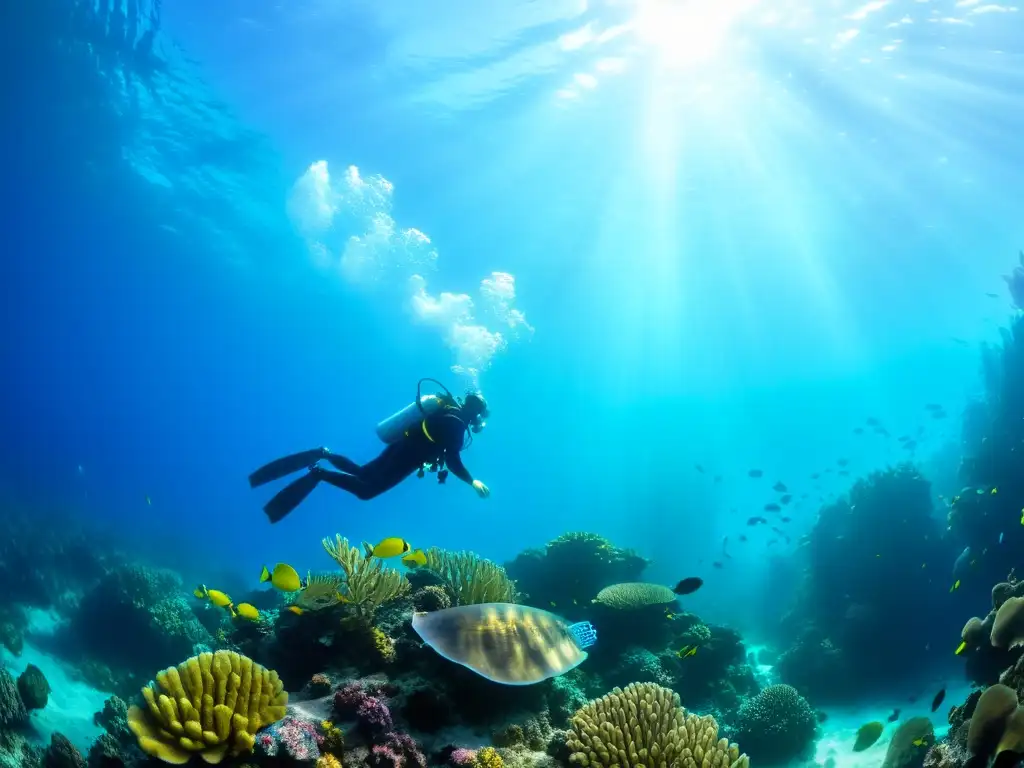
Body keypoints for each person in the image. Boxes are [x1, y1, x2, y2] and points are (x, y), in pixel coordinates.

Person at [249, 389, 492, 523]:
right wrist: (472, 481)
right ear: (476, 415)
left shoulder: (447, 410)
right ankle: (320, 473)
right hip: (407, 458)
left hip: (400, 446)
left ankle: (324, 454)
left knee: (363, 473)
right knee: (366, 490)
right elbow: (452, 460)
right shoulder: (458, 425)